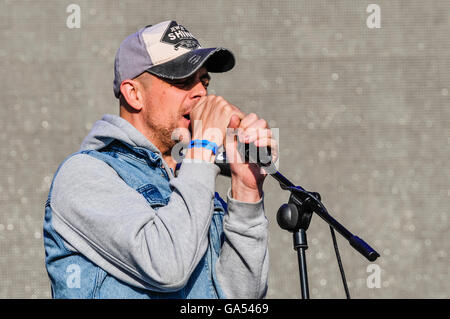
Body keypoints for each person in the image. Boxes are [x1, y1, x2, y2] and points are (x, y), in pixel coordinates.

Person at [43, 20, 277, 299]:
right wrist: (202, 150)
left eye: (204, 81)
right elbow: (167, 267)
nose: (201, 92)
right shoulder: (84, 175)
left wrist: (246, 190)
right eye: (183, 80)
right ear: (134, 94)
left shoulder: (190, 177)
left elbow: (240, 298)